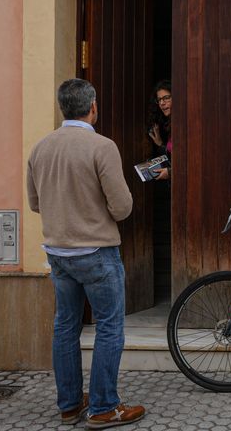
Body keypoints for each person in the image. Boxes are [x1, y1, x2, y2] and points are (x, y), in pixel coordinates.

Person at [27, 78, 146, 428]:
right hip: (96, 251)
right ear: (93, 106)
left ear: (62, 107)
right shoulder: (102, 146)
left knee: (65, 326)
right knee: (109, 327)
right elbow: (122, 207)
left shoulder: (40, 148)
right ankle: (104, 406)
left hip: (58, 252)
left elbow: (35, 204)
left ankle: (68, 404)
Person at [146, 80, 172, 180]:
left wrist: (170, 172)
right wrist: (160, 144)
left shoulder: (183, 124)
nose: (162, 103)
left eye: (166, 98)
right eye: (159, 99)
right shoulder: (169, 124)